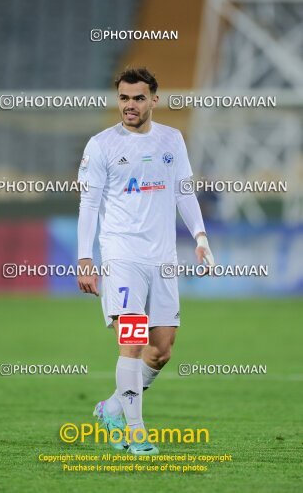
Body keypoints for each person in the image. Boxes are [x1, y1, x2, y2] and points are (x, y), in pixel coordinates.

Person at [77, 67, 214, 455]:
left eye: (138, 98)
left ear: (154, 99)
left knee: (162, 349)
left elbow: (184, 193)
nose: (130, 105)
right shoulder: (101, 145)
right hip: (122, 257)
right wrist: (85, 257)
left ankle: (112, 407)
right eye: (124, 98)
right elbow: (88, 203)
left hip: (163, 258)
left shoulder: (173, 139)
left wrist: (201, 238)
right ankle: (136, 432)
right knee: (133, 342)